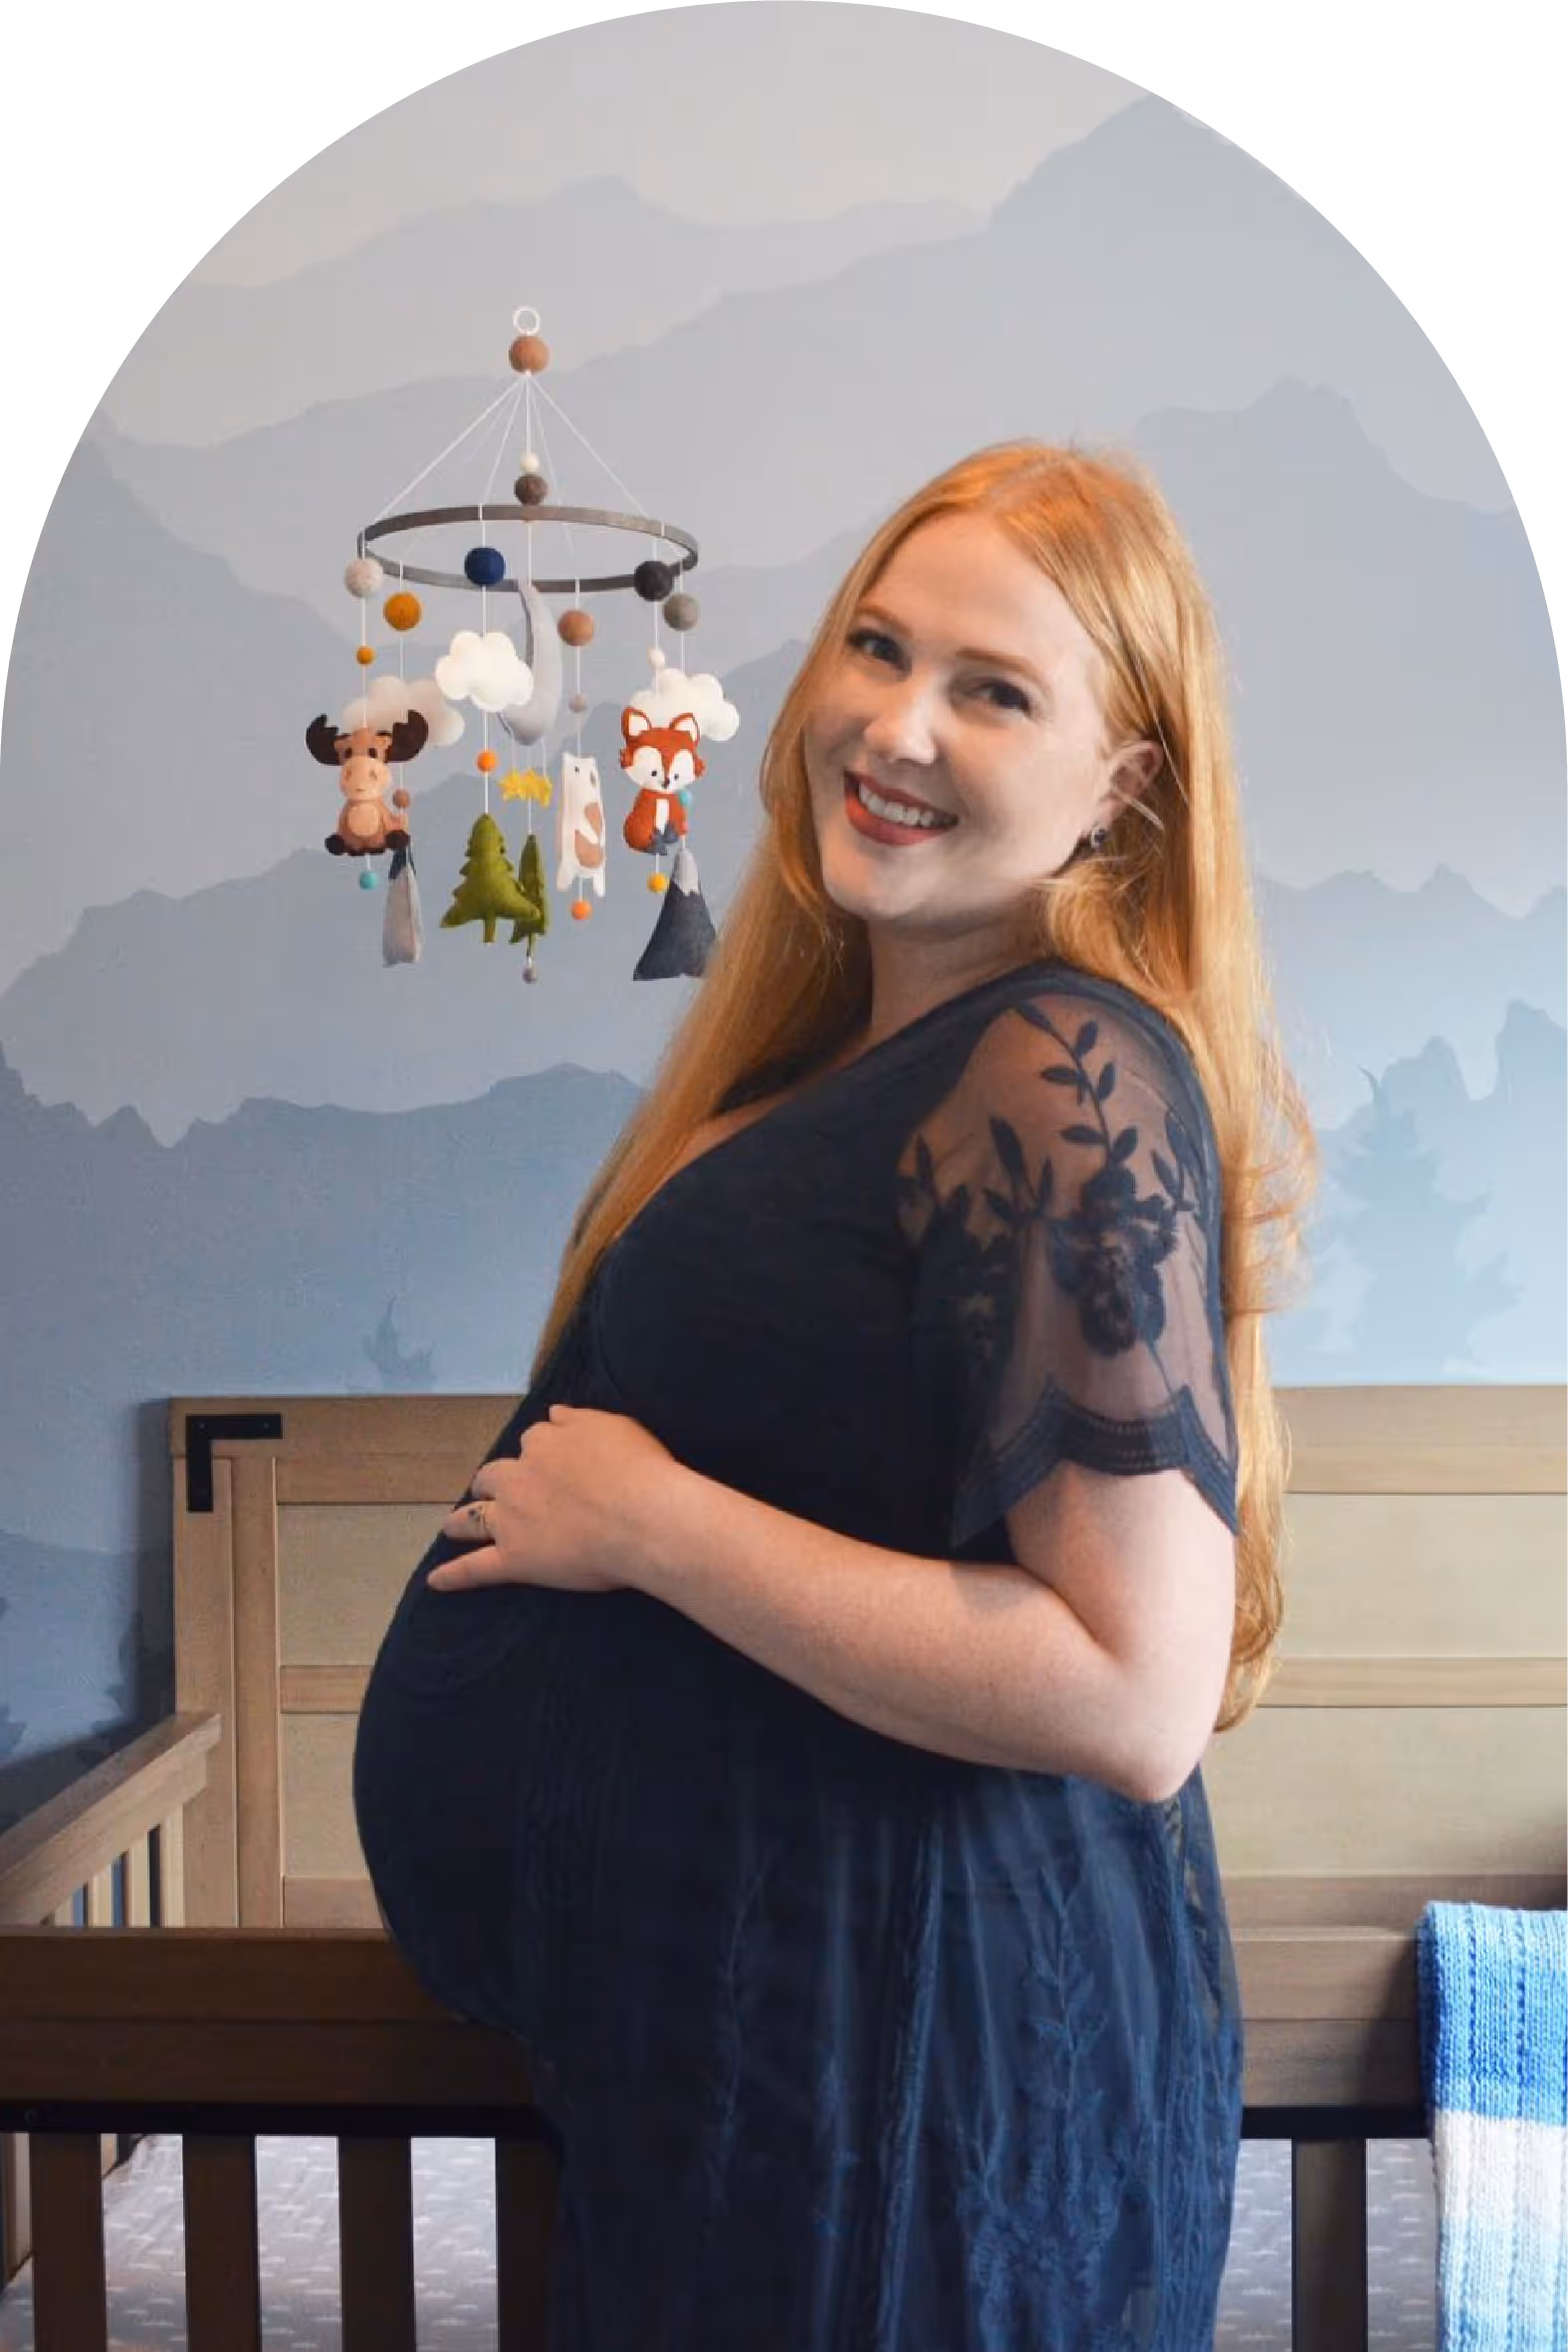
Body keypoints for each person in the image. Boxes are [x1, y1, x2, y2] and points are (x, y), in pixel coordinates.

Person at [352, 438, 1318, 2351]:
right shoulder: (844, 1062)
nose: (895, 723)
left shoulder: (1057, 1066)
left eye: (992, 689)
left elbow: (1135, 1692)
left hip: (899, 2110)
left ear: (1122, 786)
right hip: (751, 2083)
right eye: (875, 648)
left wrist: (647, 1528)